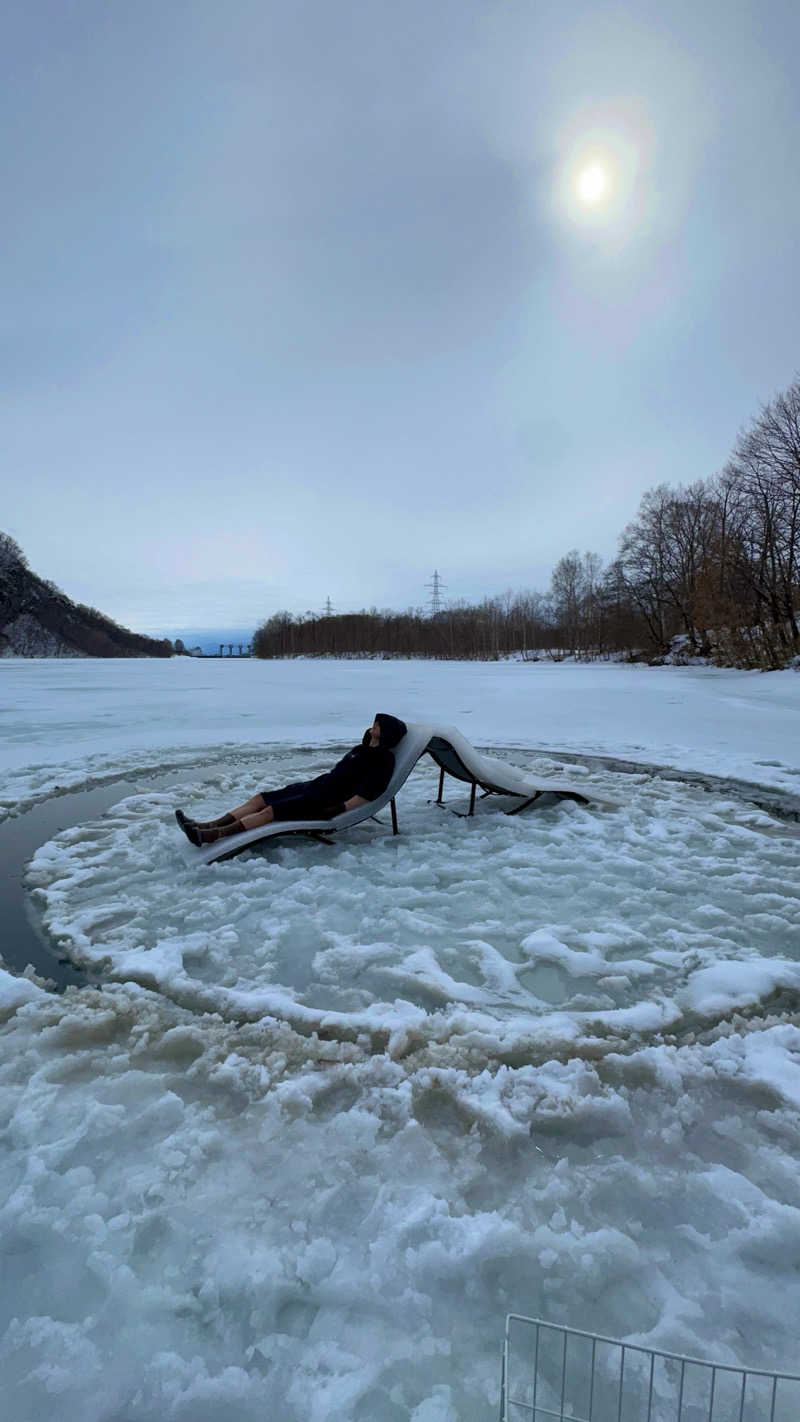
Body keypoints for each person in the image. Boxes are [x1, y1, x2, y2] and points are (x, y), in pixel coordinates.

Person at [175, 712, 407, 845]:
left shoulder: (384, 759)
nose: (374, 724)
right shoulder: (362, 748)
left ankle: (211, 836)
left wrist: (338, 809)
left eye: (379, 724)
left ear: (386, 733)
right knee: (260, 799)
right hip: (316, 787)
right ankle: (206, 824)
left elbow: (370, 792)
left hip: (326, 800)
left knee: (269, 813)